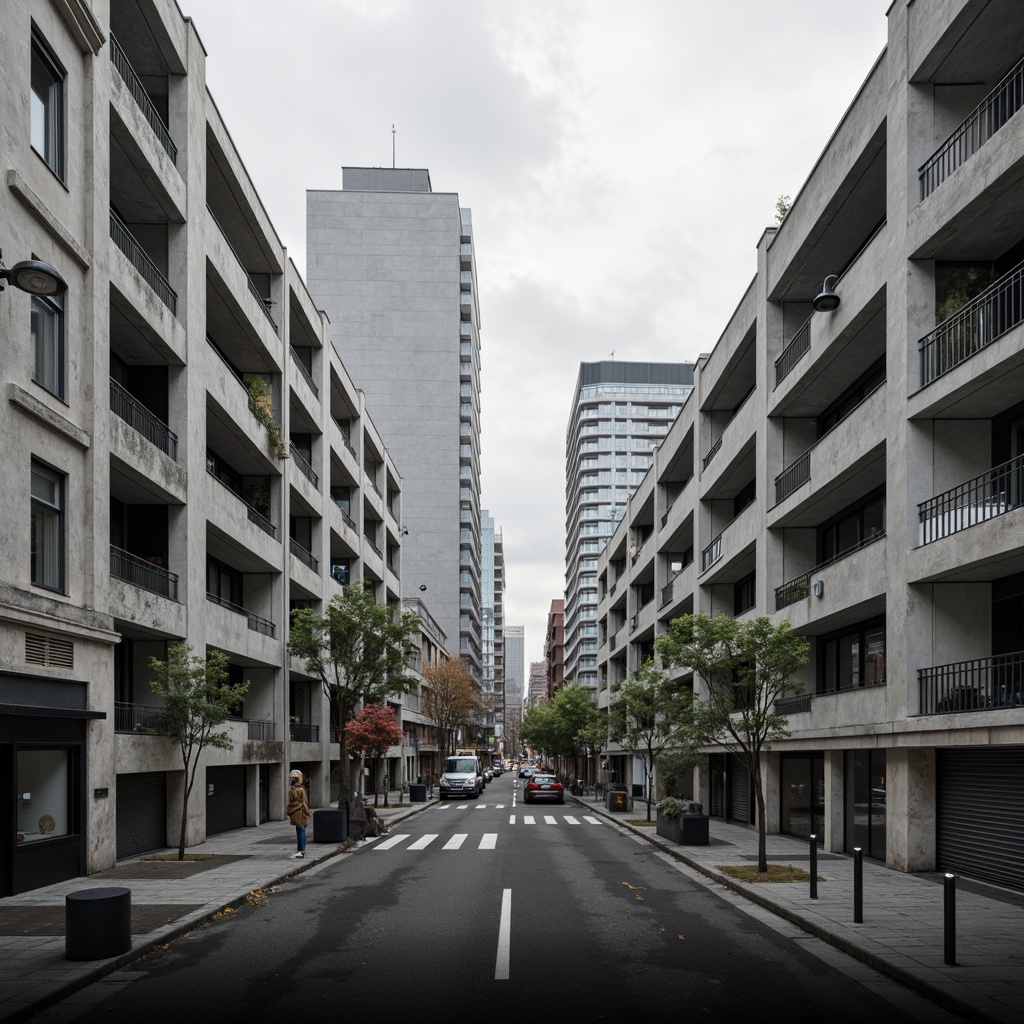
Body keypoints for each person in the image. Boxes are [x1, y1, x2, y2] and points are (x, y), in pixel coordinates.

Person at [287, 769, 310, 859]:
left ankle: (301, 851)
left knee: (300, 830)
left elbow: (291, 802)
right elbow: (304, 803)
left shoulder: (292, 790)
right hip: (301, 812)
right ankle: (301, 850)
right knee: (301, 830)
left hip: (296, 812)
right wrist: (307, 812)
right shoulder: (301, 789)